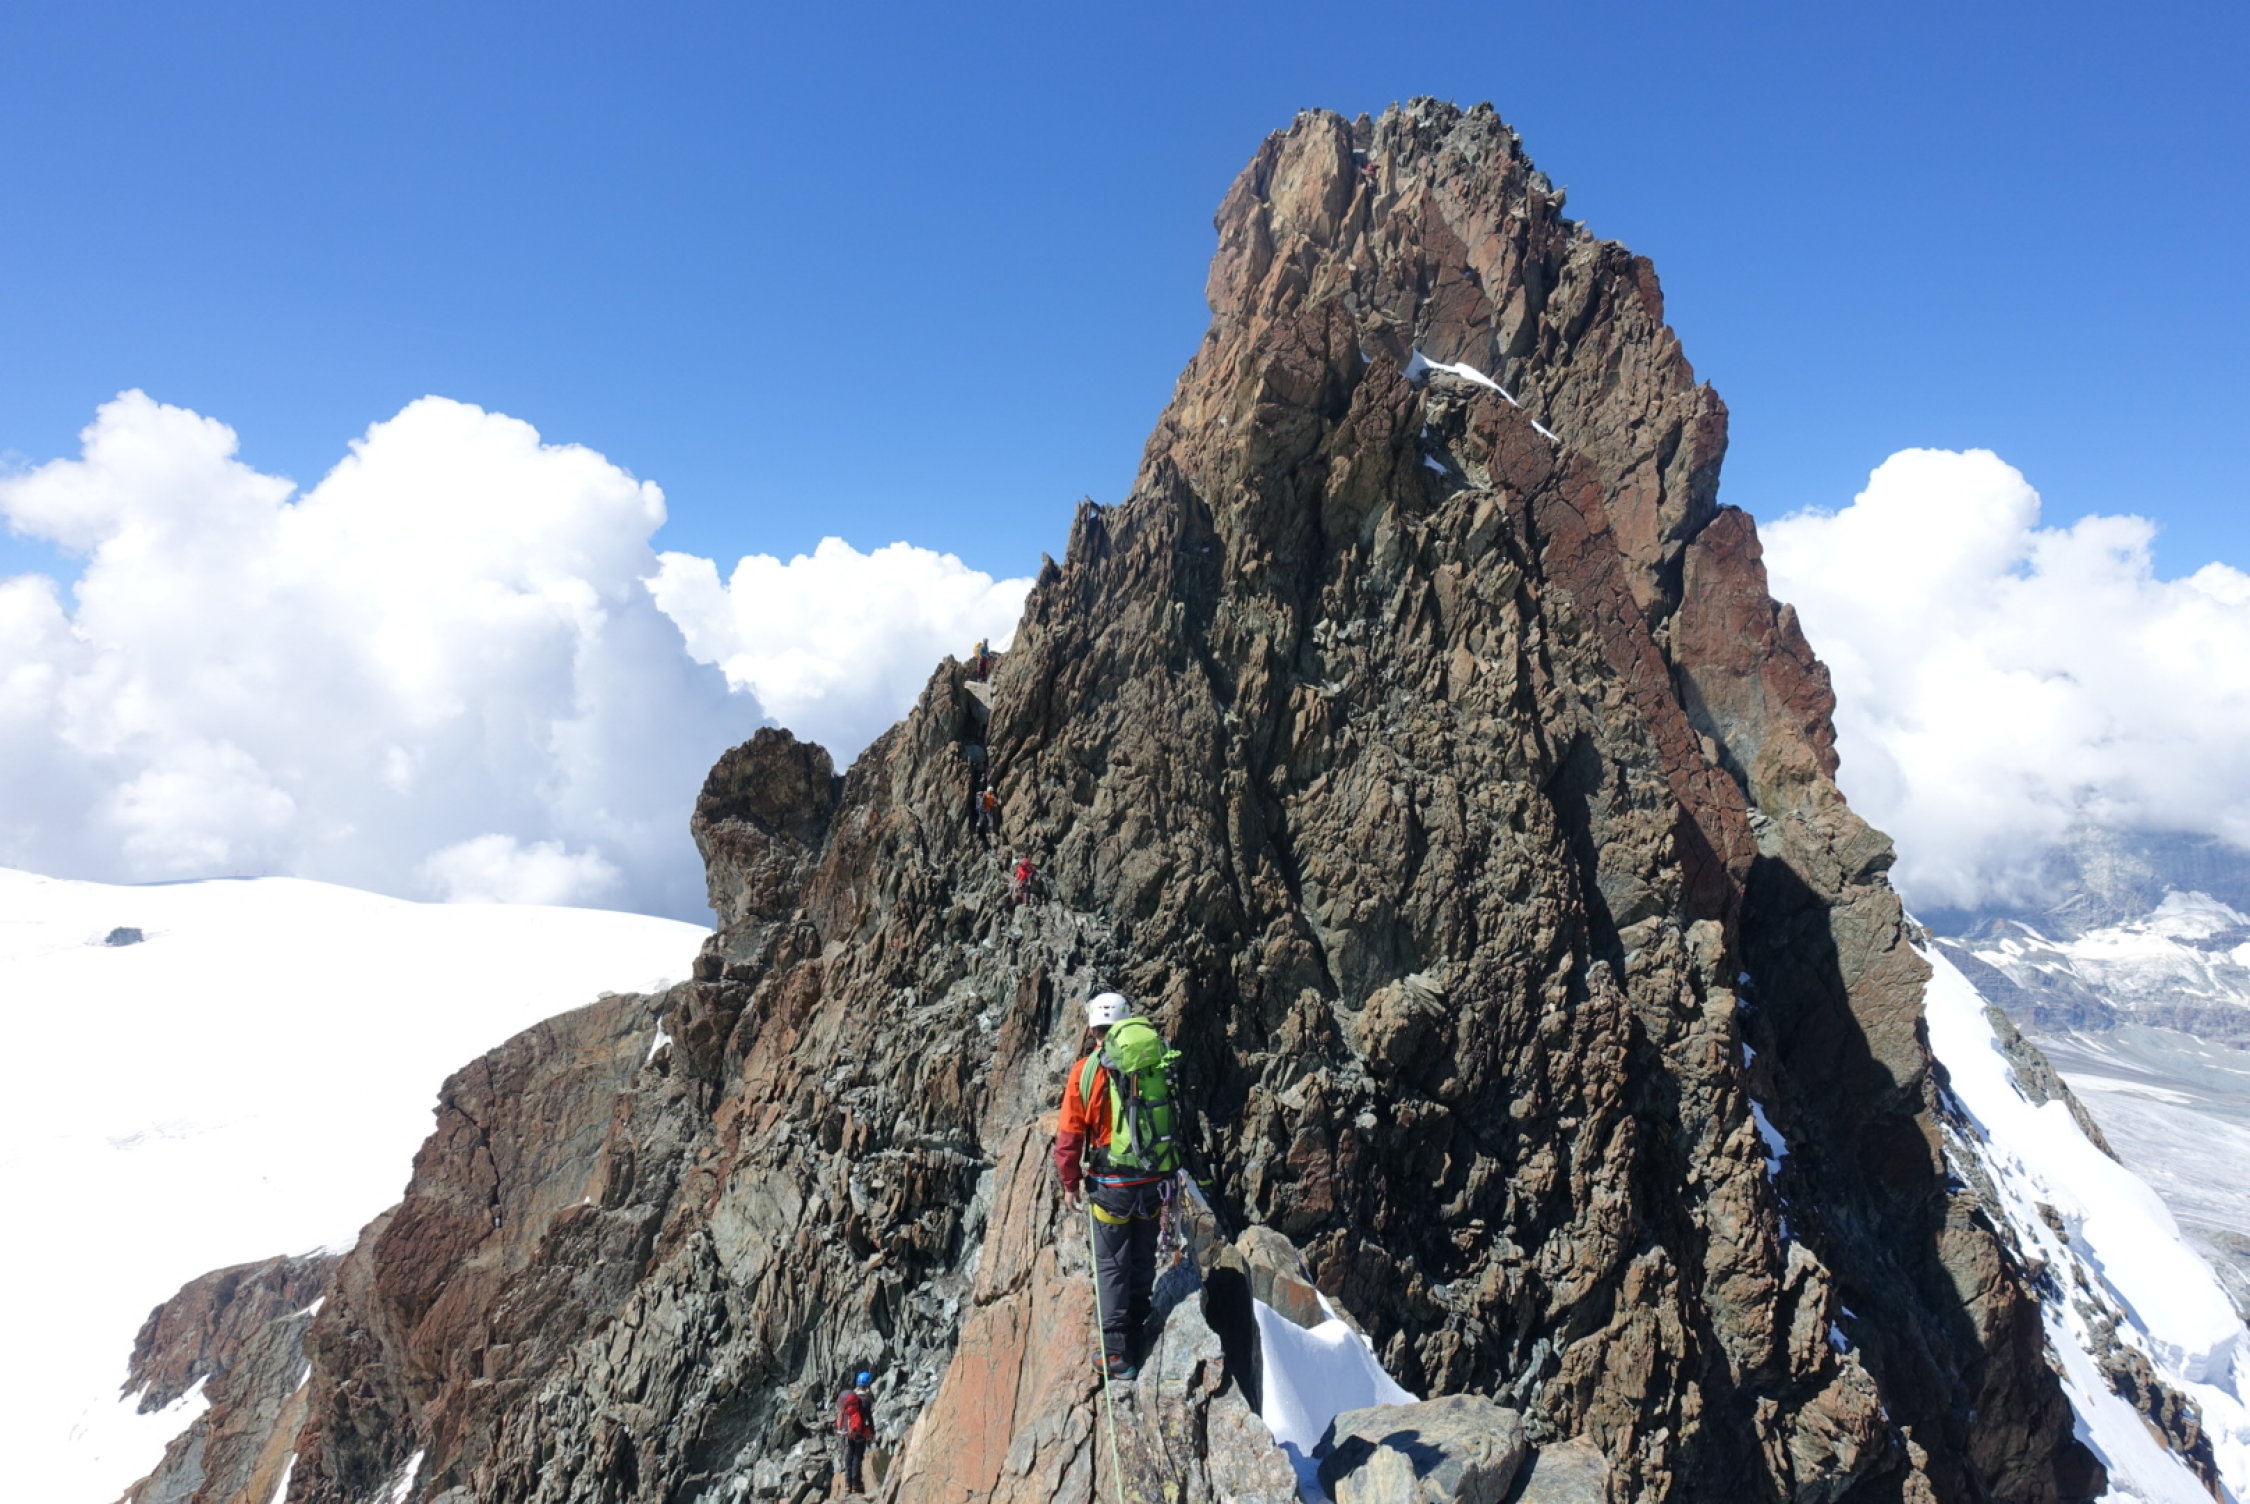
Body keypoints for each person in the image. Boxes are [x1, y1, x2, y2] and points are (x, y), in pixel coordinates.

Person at [1055, 991, 1182, 1380]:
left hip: (1111, 1186)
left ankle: (1115, 1354)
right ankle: (1138, 1331)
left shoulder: (1086, 1071)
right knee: (1142, 1258)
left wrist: (1070, 1182)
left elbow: (1069, 1136)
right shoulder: (1154, 1061)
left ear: (1092, 1028)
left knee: (1112, 1266)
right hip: (1153, 1180)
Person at [834, 1371, 874, 1494]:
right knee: (857, 1456)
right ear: (867, 1385)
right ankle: (856, 1485)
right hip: (859, 1432)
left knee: (849, 1455)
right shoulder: (865, 1400)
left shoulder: (851, 1398)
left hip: (849, 1431)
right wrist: (872, 1432)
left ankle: (847, 1484)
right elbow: (868, 1418)